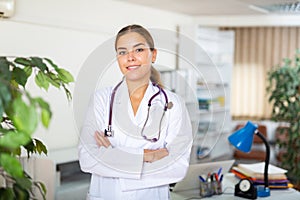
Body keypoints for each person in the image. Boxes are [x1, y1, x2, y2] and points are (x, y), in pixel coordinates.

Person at [78, 24, 193, 200]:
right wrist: (150, 155)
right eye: (122, 52)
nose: (130, 58)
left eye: (138, 49)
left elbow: (176, 168)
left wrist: (112, 155)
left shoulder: (173, 104)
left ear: (153, 55)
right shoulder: (101, 100)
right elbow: (87, 159)